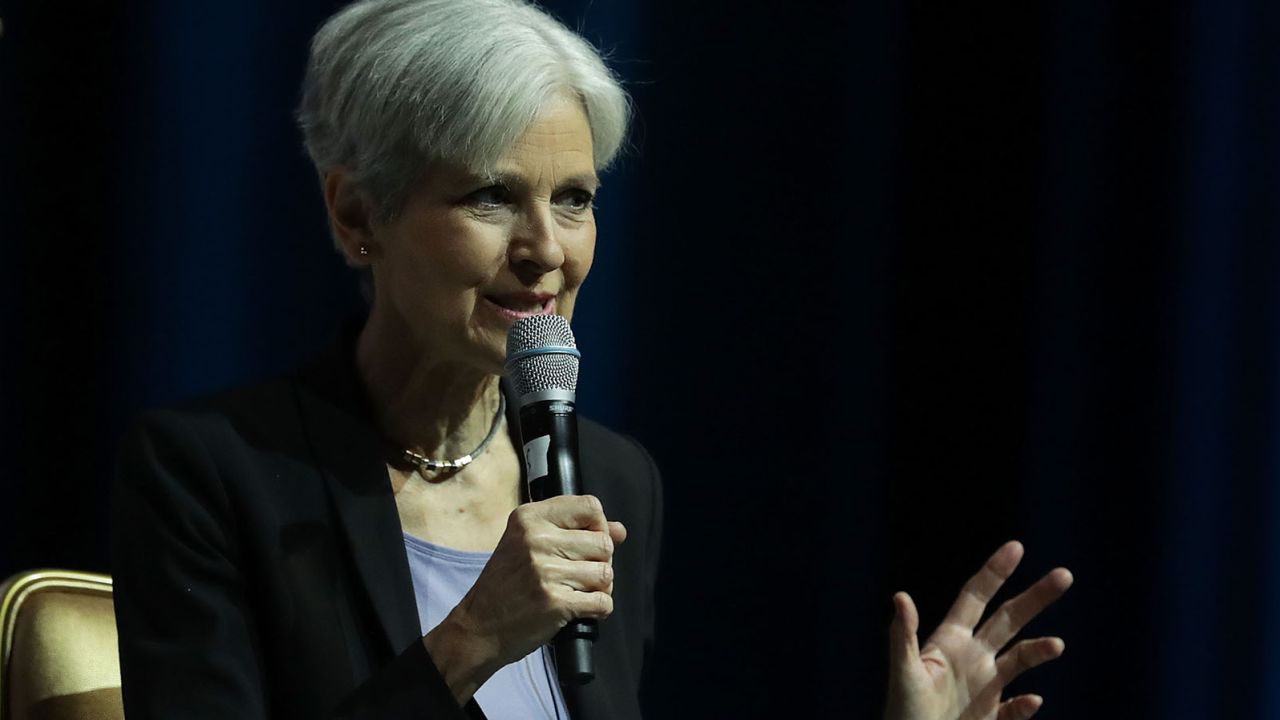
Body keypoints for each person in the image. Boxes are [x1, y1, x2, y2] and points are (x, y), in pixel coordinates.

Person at [111, 1, 1071, 719]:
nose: (548, 250)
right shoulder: (213, 474)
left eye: (573, 198)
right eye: (492, 197)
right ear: (358, 214)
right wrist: (472, 642)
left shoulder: (613, 481)